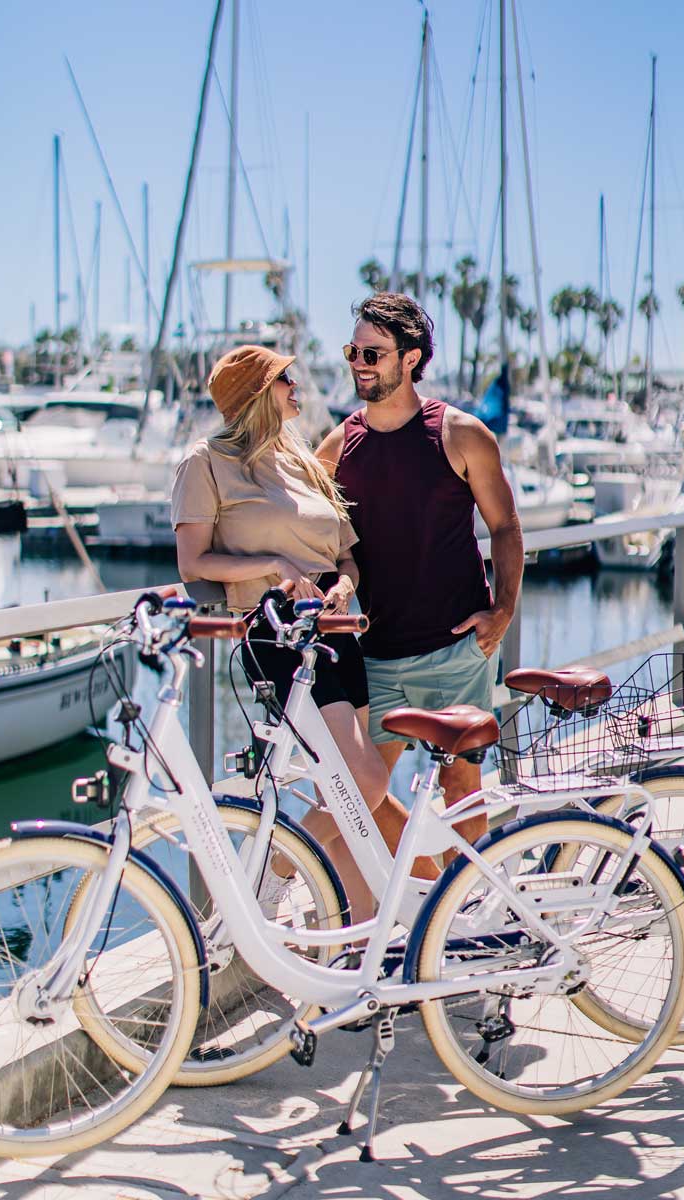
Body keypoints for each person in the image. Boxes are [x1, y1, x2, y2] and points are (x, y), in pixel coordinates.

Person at [170, 344, 437, 920]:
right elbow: (194, 563)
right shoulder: (206, 462)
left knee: (339, 794)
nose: (298, 386)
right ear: (257, 394)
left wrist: (343, 584)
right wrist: (275, 565)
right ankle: (271, 871)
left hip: (336, 630)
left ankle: (361, 943)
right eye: (285, 378)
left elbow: (347, 557)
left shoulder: (303, 461)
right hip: (277, 634)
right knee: (362, 784)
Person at [316, 292, 524, 846]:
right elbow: (316, 536)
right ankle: (432, 893)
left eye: (373, 354)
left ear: (410, 358)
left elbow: (505, 526)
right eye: (353, 352)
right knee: (362, 793)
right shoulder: (337, 446)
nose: (359, 365)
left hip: (456, 650)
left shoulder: (461, 434)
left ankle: (467, 914)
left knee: (462, 788)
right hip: (378, 655)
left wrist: (503, 609)